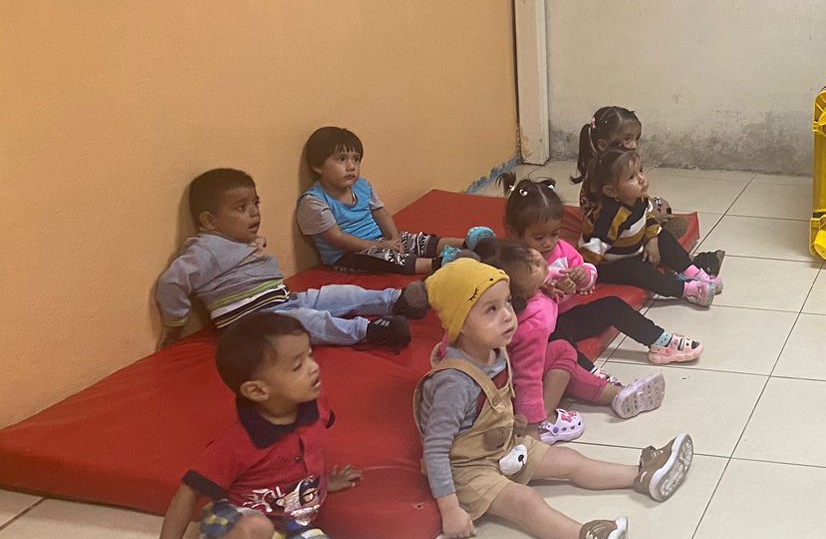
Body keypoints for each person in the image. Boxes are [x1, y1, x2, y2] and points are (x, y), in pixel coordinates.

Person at [414, 259, 693, 539]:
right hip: (467, 471)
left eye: (507, 303)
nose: (507, 315)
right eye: (490, 310)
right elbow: (435, 449)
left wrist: (516, 424)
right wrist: (450, 509)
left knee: (570, 460)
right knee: (525, 501)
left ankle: (642, 475)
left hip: (503, 447)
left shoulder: (495, 351)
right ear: (460, 324)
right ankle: (589, 538)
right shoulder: (453, 382)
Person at [141, 313, 364, 539]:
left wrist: (323, 484)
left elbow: (307, 453)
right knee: (256, 528)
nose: (313, 367)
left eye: (310, 355)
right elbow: (187, 492)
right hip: (236, 525)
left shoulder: (316, 409)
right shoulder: (236, 443)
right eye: (297, 365)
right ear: (258, 391)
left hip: (287, 528)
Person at [157, 168, 424, 349]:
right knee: (308, 323)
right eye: (241, 207)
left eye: (255, 204)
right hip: (253, 325)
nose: (254, 213)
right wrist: (174, 325)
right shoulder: (205, 249)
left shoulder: (237, 240)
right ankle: (369, 331)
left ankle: (395, 300)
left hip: (284, 300)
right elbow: (172, 282)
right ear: (209, 221)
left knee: (337, 294)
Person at [468, 237, 668, 442]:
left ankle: (616, 394)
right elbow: (528, 377)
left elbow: (554, 278)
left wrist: (554, 289)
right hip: (510, 381)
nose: (538, 257)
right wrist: (532, 426)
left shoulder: (521, 296)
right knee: (563, 352)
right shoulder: (533, 325)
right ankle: (544, 421)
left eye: (529, 254)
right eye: (533, 265)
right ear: (522, 293)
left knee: (562, 352)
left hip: (506, 368)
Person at [503, 177, 702, 365]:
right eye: (539, 238)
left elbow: (588, 272)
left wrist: (582, 276)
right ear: (513, 232)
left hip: (570, 316)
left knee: (613, 305)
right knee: (560, 343)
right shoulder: (511, 263)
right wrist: (546, 290)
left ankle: (659, 340)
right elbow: (512, 304)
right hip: (544, 328)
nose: (548, 243)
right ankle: (594, 377)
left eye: (554, 234)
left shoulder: (562, 249)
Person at [296, 126, 487, 275]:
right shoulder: (314, 201)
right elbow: (338, 239)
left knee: (414, 239)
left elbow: (380, 213)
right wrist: (380, 246)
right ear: (317, 166)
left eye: (356, 159)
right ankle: (439, 264)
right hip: (348, 255)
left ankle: (469, 244)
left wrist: (394, 239)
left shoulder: (362, 186)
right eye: (341, 159)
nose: (351, 166)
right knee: (383, 258)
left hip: (379, 239)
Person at [570, 106, 722, 270]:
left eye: (637, 139)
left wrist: (650, 217)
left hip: (629, 219)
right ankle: (688, 261)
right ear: (603, 145)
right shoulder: (602, 177)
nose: (634, 145)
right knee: (658, 221)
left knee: (660, 204)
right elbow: (614, 221)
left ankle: (660, 232)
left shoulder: (619, 163)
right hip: (617, 235)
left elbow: (636, 201)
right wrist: (651, 233)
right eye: (627, 139)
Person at [579, 149, 721, 306]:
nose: (641, 179)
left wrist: (653, 240)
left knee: (664, 236)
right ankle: (688, 290)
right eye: (631, 178)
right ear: (611, 191)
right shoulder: (612, 216)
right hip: (610, 264)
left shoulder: (640, 198)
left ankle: (693, 272)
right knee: (640, 272)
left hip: (634, 249)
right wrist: (584, 274)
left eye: (640, 171)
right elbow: (593, 249)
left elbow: (648, 216)